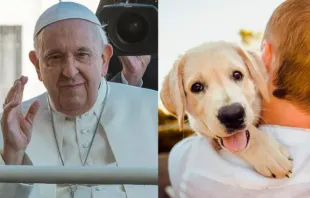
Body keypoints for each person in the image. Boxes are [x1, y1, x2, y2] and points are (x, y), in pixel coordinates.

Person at [0, 2, 157, 198]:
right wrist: (14, 155)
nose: (70, 71)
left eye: (82, 54)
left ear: (104, 59)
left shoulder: (156, 111)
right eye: (55, 57)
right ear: (37, 65)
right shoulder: (11, 126)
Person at [168, 0, 310, 197]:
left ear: (264, 58)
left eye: (236, 76)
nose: (228, 105)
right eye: (197, 87)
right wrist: (253, 143)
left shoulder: (186, 161)